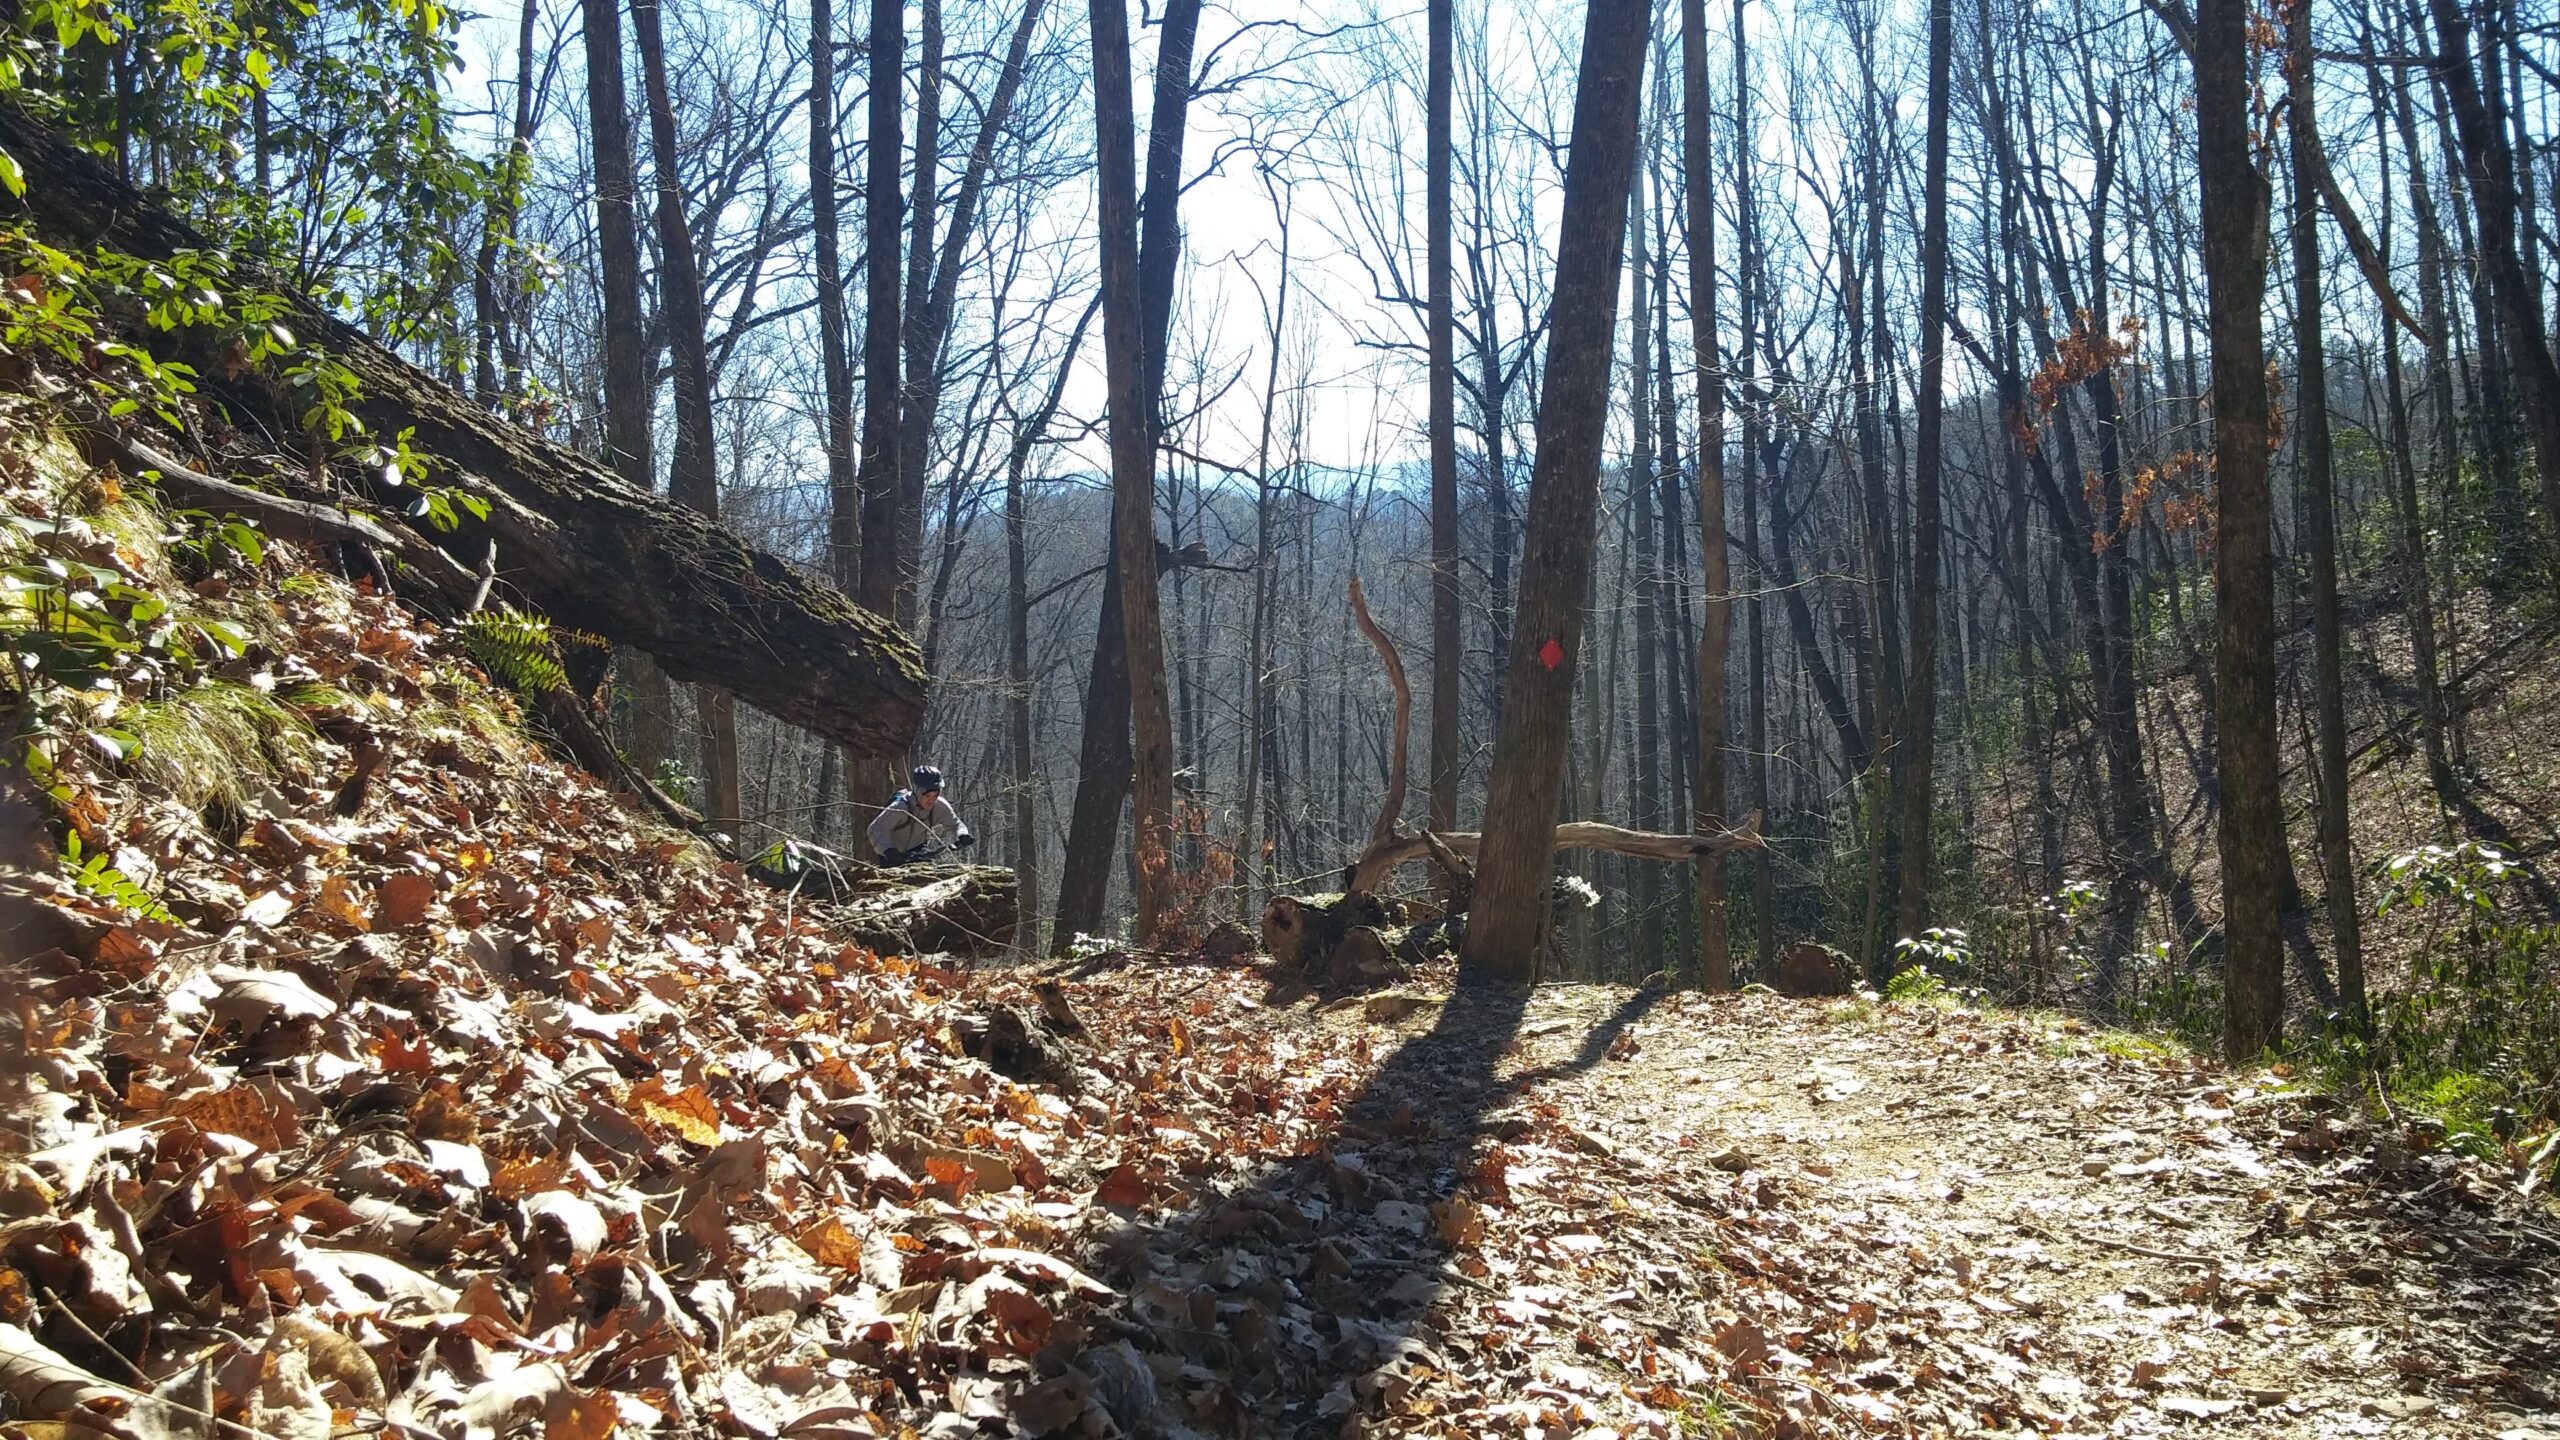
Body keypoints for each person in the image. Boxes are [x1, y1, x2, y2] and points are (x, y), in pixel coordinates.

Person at [868, 765, 975, 865]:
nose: (931, 800)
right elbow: (875, 829)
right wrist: (888, 851)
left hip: (918, 852)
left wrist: (962, 834)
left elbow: (956, 824)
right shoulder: (900, 807)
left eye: (936, 794)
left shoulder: (940, 806)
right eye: (927, 795)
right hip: (892, 856)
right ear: (917, 791)